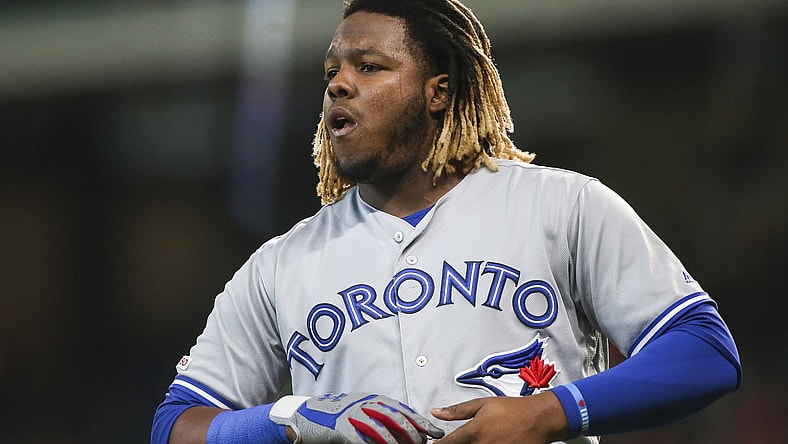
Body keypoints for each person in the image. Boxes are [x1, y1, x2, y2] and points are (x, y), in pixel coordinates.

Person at [151, 1, 742, 443]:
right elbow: (176, 425)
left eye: (369, 67)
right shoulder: (280, 265)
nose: (338, 84)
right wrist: (293, 418)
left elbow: (703, 350)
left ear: (438, 92)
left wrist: (548, 412)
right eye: (331, 71)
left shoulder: (561, 206)